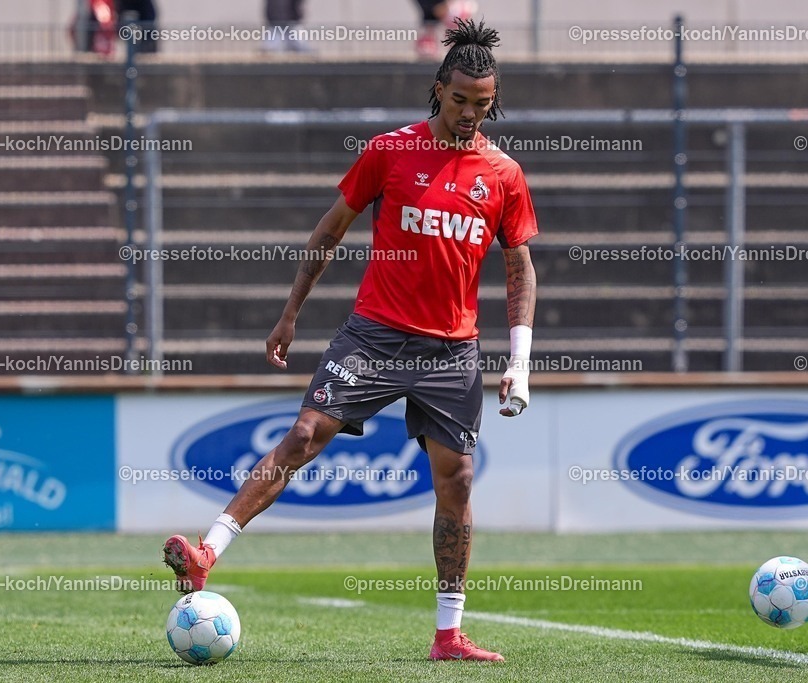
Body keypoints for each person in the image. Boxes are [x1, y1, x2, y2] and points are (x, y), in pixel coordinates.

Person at [163, 19, 537, 663]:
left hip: (452, 352)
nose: (471, 113)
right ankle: (207, 553)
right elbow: (328, 231)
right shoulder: (390, 151)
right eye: (460, 101)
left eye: (483, 103)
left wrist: (520, 362)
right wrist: (291, 313)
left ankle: (449, 635)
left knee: (458, 480)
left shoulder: (502, 175)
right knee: (305, 435)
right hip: (375, 335)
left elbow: (520, 266)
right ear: (437, 90)